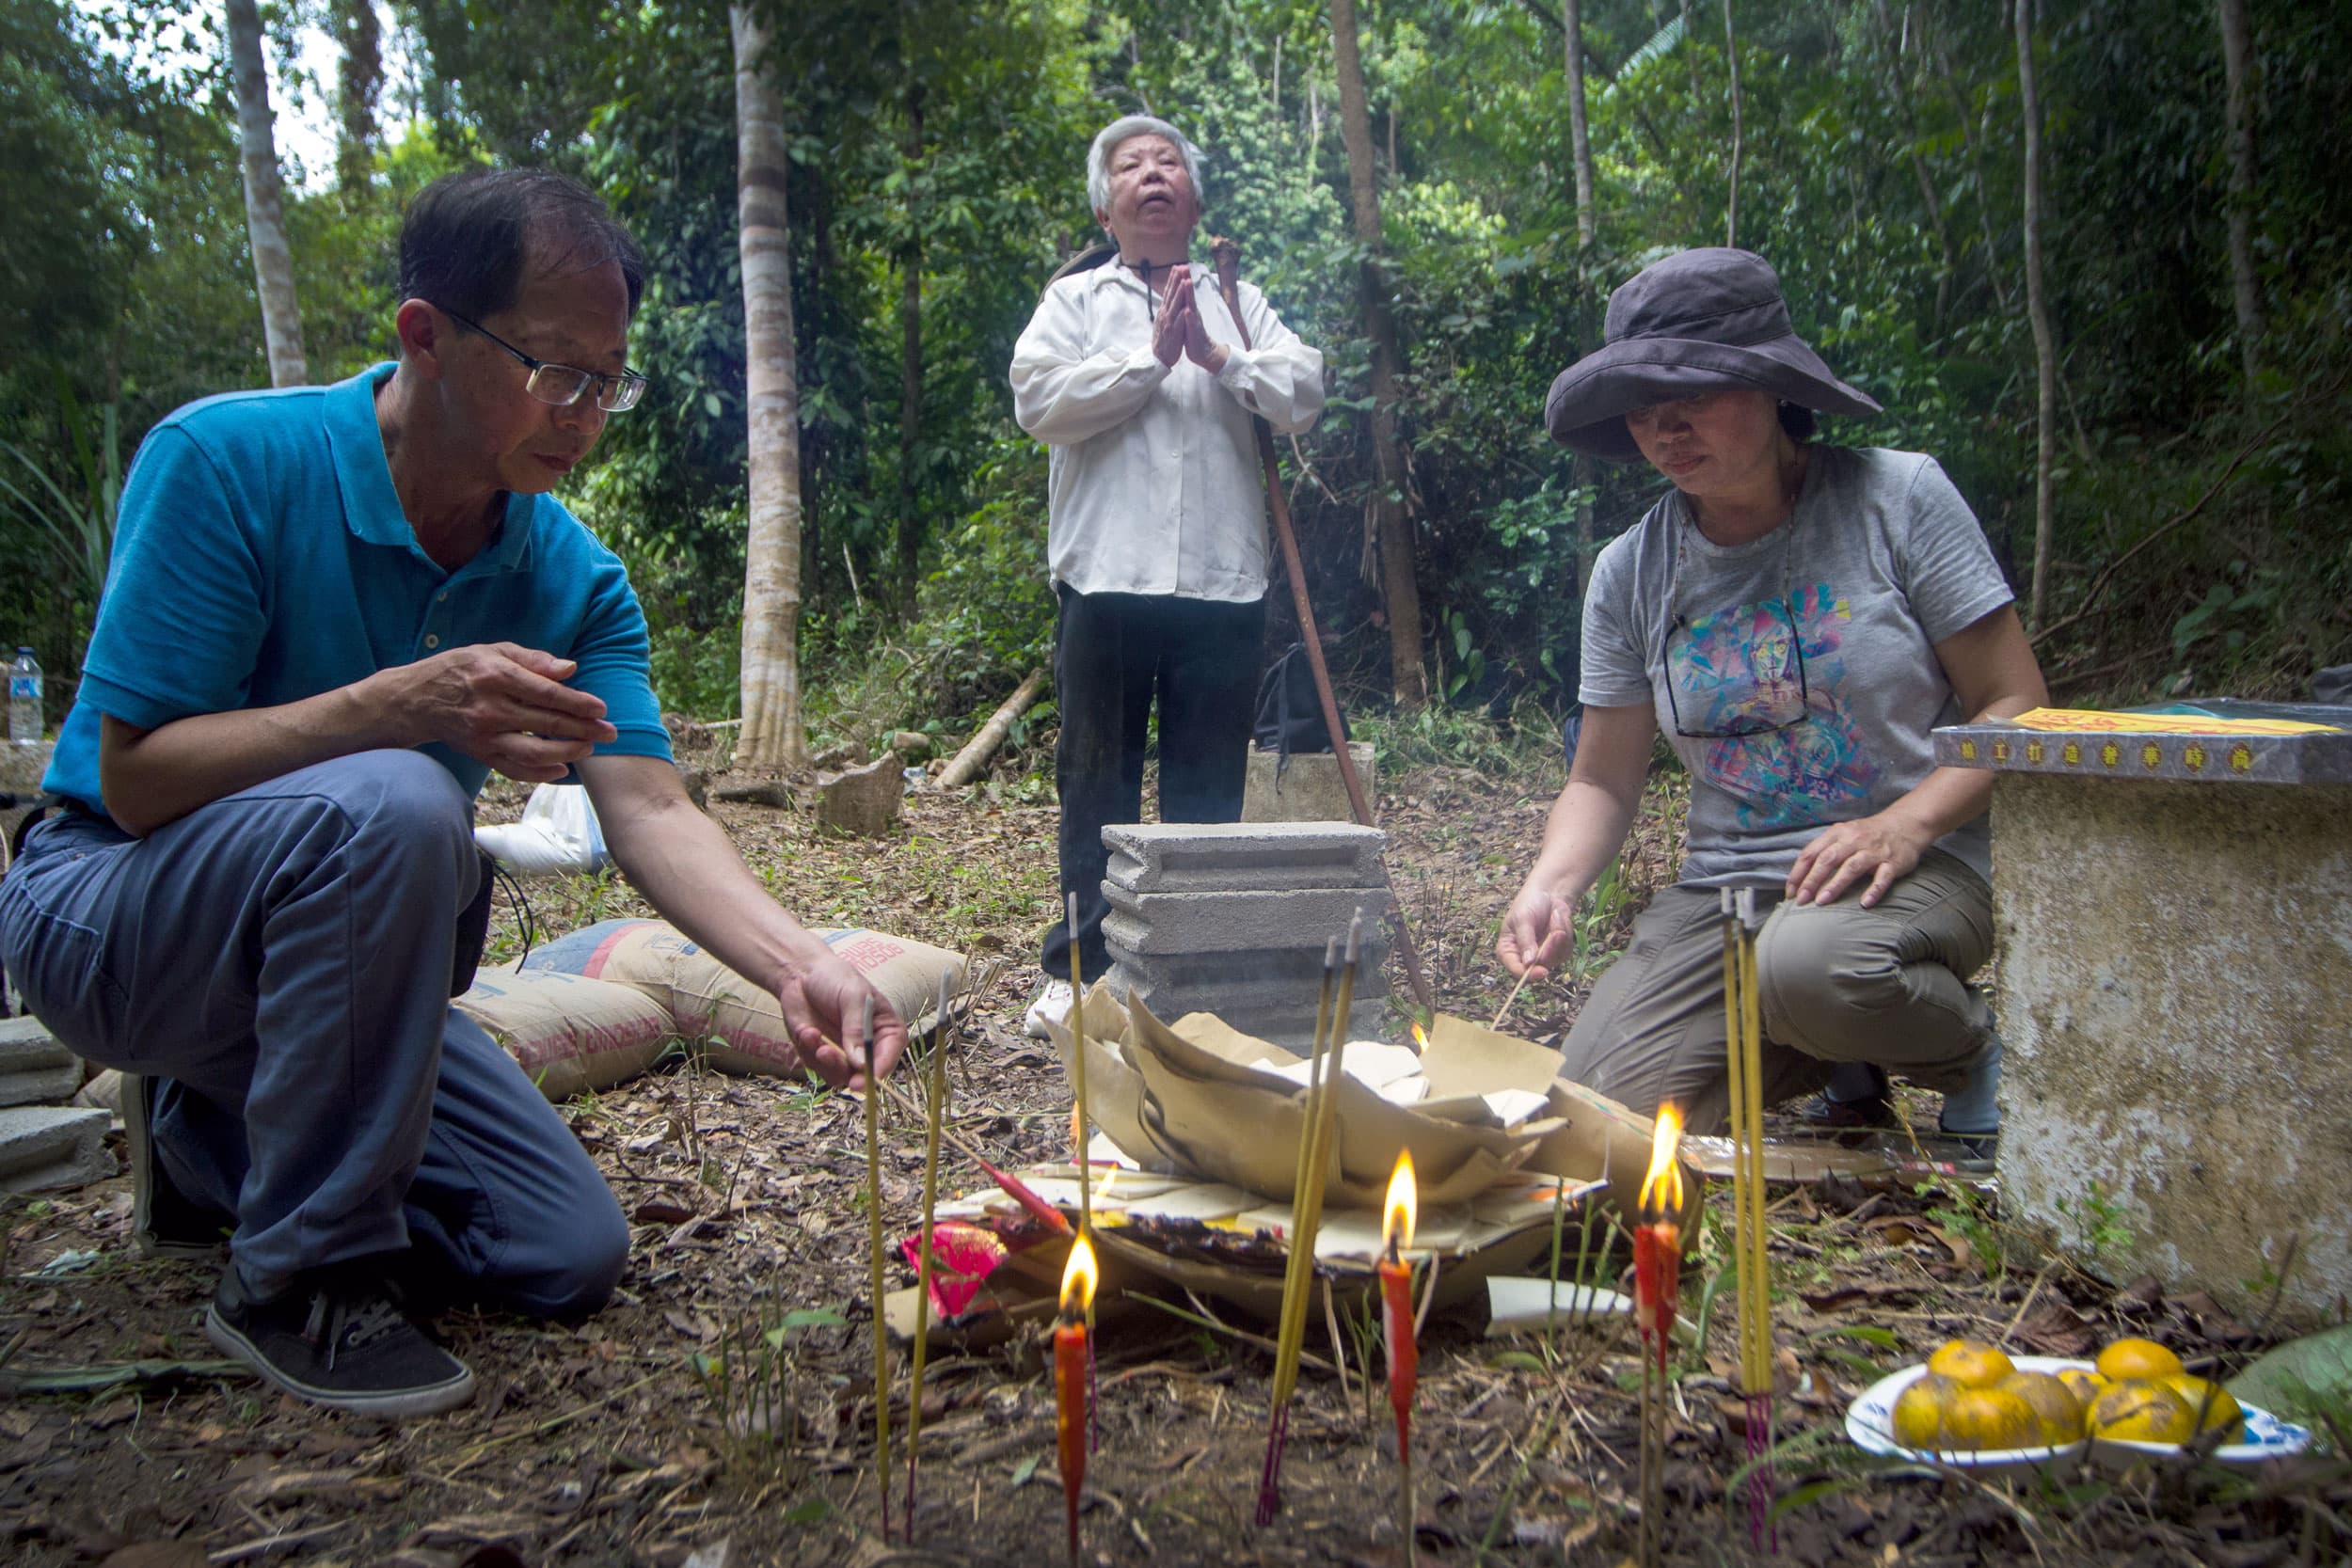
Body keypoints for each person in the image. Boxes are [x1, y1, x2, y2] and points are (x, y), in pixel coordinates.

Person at [0, 168, 907, 1418]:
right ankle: (298, 1279)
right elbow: (138, 777)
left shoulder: (573, 579)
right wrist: (399, 704)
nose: (585, 413)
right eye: (555, 369)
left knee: (560, 1248)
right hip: (106, 909)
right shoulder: (226, 460)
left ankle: (217, 1142)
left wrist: (795, 957)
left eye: (609, 378)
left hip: (327, 970)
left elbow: (646, 804)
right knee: (402, 805)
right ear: (423, 334)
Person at [1497, 247, 2047, 1146]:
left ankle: (1968, 1052)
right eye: (1643, 406)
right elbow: (1602, 780)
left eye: (1696, 394)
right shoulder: (1628, 572)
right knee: (1601, 1111)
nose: (1666, 427)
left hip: (1920, 862)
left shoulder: (1895, 499)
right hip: (1730, 892)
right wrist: (1549, 885)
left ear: (1770, 387)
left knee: (1812, 968)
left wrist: (1903, 824)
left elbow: (2014, 701)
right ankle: (1841, 1047)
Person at [1009, 115, 1326, 1036]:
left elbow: (1302, 391)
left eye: (1168, 163)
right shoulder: (1073, 302)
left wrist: (1218, 355)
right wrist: (1149, 360)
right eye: (1130, 166)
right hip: (1105, 579)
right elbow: (1039, 399)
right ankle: (1080, 974)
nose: (1152, 174)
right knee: (1095, 781)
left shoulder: (1241, 298)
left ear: (1193, 197)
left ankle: (1186, 970)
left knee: (1204, 790)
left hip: (1223, 585)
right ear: (1106, 207)